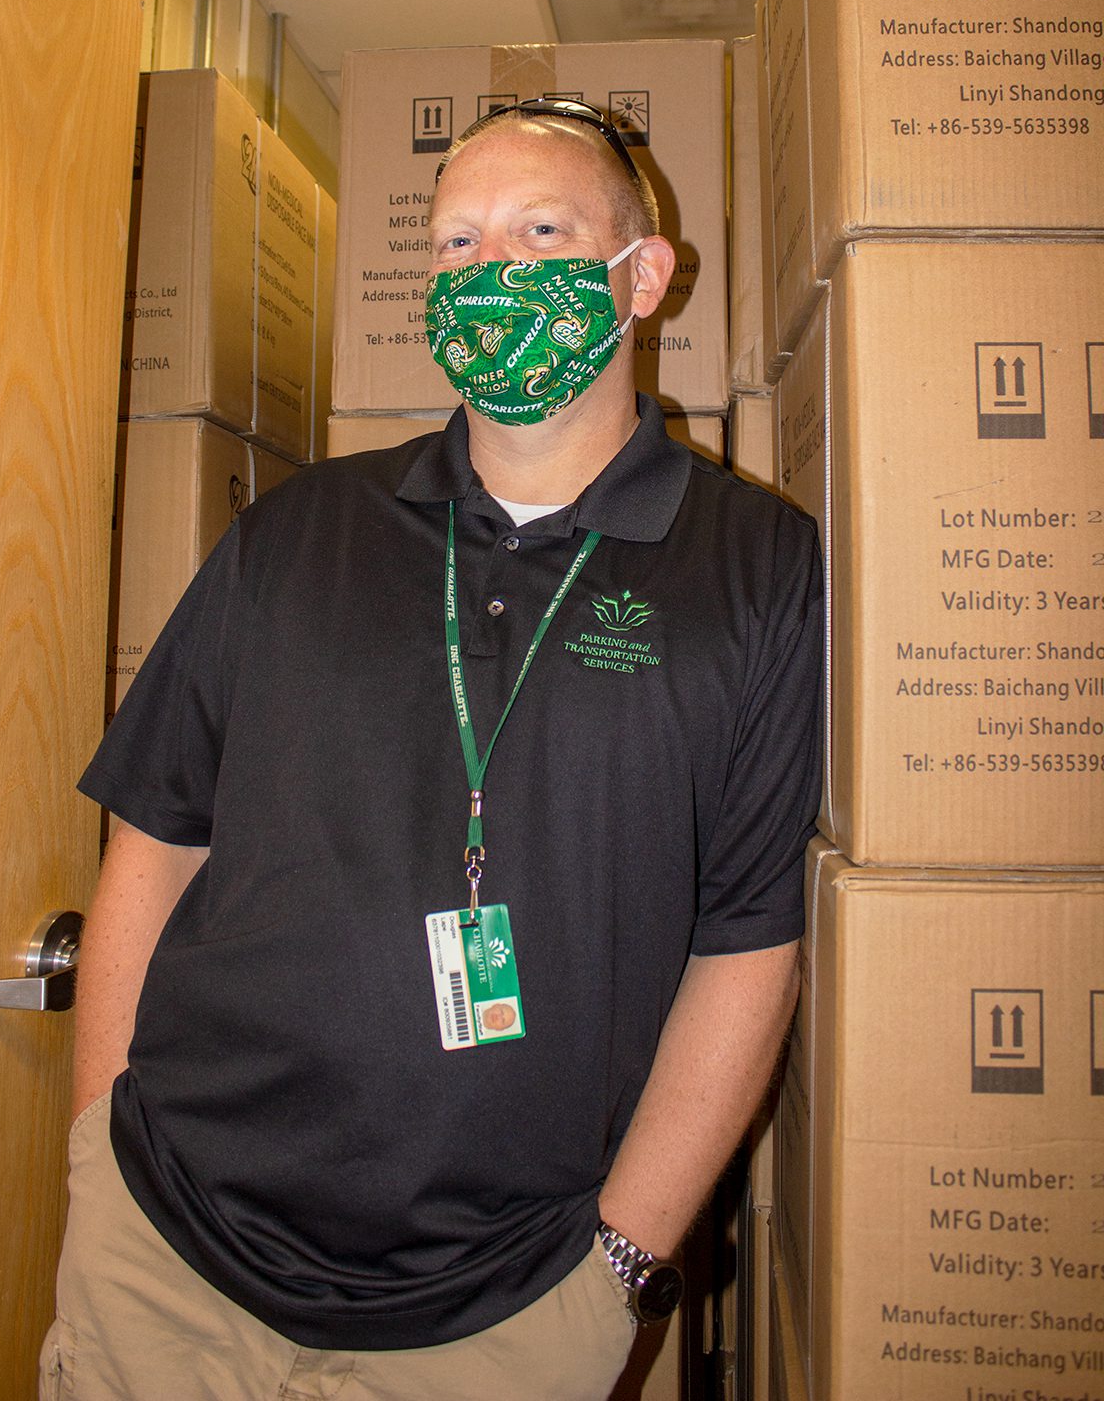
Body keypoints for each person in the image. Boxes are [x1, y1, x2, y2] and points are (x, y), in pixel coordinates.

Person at [40, 97, 822, 1401]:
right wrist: (92, 1154)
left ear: (643, 275)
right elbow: (157, 838)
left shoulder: (756, 566)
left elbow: (748, 946)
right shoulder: (295, 535)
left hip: (507, 1306)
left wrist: (620, 1265)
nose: (491, 273)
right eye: (456, 245)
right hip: (166, 1254)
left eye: (540, 230)